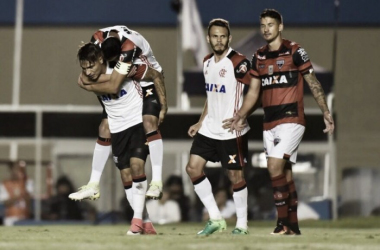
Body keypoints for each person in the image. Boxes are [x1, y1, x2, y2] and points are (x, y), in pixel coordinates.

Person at [223, 9, 335, 235]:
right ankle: (293, 226)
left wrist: (325, 111)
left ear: (280, 27)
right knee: (285, 174)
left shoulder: (295, 51)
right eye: (263, 25)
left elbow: (313, 82)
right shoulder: (259, 56)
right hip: (269, 123)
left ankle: (282, 223)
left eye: (270, 25)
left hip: (292, 120)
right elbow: (254, 93)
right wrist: (241, 114)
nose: (266, 29)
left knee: (274, 167)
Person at [69, 25, 167, 201]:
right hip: (126, 84)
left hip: (148, 80)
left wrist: (164, 106)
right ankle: (93, 184)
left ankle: (157, 181)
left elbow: (115, 84)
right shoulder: (97, 39)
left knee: (149, 122)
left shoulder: (128, 51)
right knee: (104, 127)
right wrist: (93, 81)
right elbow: (83, 77)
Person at [76, 42, 163, 235]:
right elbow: (85, 81)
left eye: (91, 66)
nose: (88, 72)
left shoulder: (122, 67)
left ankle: (136, 221)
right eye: (84, 68)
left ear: (101, 59)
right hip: (118, 128)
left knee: (136, 166)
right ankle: (146, 222)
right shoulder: (86, 77)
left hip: (137, 121)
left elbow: (152, 74)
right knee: (125, 175)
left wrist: (161, 105)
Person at [185, 18, 251, 236]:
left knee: (235, 177)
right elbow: (210, 96)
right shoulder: (206, 62)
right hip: (209, 128)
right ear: (208, 38)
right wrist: (200, 121)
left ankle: (242, 224)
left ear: (229, 38)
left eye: (223, 36)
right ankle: (215, 218)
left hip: (231, 131)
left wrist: (242, 115)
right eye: (215, 36)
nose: (219, 40)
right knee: (193, 168)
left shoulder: (239, 62)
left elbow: (256, 90)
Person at [0, 160, 32, 226]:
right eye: (17, 169)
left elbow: (29, 200)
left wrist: (23, 186)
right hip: (11, 218)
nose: (19, 172)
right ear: (11, 170)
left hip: (25, 217)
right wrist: (17, 196)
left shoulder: (28, 182)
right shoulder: (5, 184)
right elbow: (6, 203)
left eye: (21, 170)